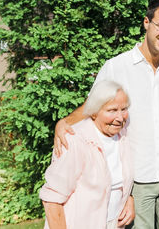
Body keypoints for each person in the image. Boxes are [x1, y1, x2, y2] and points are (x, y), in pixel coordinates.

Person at [53, 0, 159, 229]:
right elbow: (93, 106)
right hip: (137, 179)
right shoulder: (117, 67)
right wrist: (65, 122)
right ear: (146, 22)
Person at [40, 80, 134, 229]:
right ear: (94, 112)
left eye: (124, 109)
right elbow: (52, 199)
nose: (120, 117)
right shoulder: (75, 141)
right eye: (112, 110)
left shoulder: (122, 136)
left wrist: (127, 198)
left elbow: (116, 182)